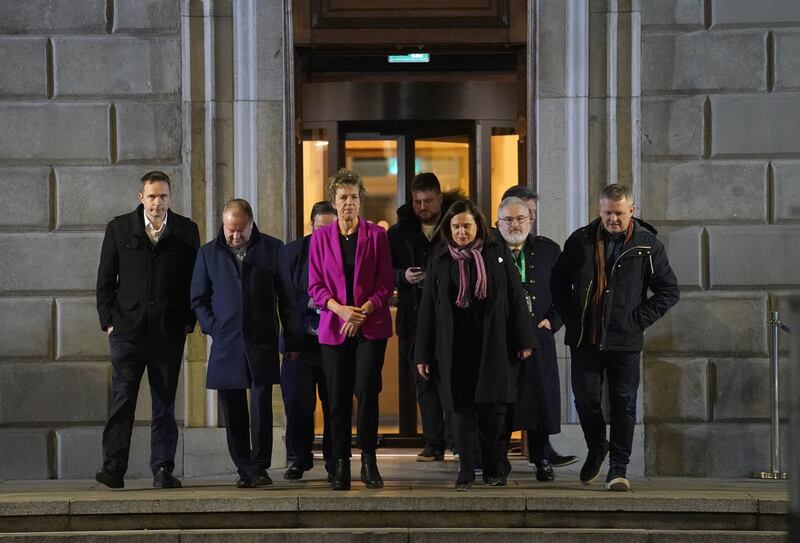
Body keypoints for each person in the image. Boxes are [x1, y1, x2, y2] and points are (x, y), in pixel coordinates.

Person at [552, 183, 679, 491]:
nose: (613, 219)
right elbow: (558, 281)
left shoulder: (647, 245)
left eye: (619, 213)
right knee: (584, 399)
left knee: (623, 403)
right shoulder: (580, 240)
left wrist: (636, 320)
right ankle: (597, 445)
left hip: (625, 340)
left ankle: (618, 468)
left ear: (631, 211)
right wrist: (571, 316)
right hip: (585, 337)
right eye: (608, 213)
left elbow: (668, 291)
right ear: (599, 210)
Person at [415, 199, 535, 490]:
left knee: (493, 413)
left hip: (492, 346)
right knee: (460, 413)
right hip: (454, 349)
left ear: (478, 225)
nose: (461, 232)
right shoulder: (441, 259)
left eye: (466, 226)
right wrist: (422, 353)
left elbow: (516, 297)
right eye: (455, 226)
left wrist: (524, 339)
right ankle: (466, 471)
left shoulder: (497, 253)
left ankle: (494, 469)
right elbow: (428, 309)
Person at [95, 170, 200, 489]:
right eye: (152, 196)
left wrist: (186, 322)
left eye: (163, 196)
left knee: (165, 403)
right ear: (141, 197)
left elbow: (194, 281)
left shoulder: (186, 230)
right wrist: (109, 322)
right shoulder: (119, 228)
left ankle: (163, 469)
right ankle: (114, 467)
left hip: (168, 333)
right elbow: (104, 281)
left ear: (170, 197)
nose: (157, 202)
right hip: (127, 331)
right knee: (123, 399)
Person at [191, 199, 301, 488]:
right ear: (223, 226)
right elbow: (198, 299)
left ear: (252, 224)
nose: (236, 236)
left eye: (241, 230)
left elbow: (287, 299)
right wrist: (213, 326)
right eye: (230, 230)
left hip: (262, 342)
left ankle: (259, 465)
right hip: (226, 344)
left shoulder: (273, 249)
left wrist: (291, 338)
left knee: (262, 406)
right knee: (233, 408)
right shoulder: (207, 254)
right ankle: (243, 467)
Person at [307, 169, 395, 490]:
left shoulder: (376, 236)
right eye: (343, 198)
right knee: (337, 398)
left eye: (354, 198)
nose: (348, 203)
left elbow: (386, 284)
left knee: (368, 394)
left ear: (361, 202)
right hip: (334, 327)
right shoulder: (320, 238)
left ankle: (369, 463)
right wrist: (341, 310)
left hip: (370, 325)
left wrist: (362, 311)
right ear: (334, 201)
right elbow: (315, 287)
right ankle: (341, 465)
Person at [499, 184, 577, 469]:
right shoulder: (490, 249)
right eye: (515, 216)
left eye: (528, 215)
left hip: (539, 335)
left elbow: (566, 292)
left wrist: (553, 320)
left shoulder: (548, 250)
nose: (521, 221)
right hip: (503, 339)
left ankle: (542, 456)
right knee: (504, 398)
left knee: (539, 397)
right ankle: (498, 459)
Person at [387, 172, 448, 462]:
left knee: (451, 380)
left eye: (427, 201)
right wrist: (403, 276)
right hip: (412, 315)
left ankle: (458, 440)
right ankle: (434, 442)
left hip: (449, 316)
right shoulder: (398, 233)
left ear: (440, 198)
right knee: (423, 382)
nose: (422, 207)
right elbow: (384, 272)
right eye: (417, 201)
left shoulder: (455, 226)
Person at [280, 201, 337, 481]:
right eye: (320, 229)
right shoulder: (292, 253)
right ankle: (297, 459)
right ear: (311, 226)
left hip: (334, 341)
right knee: (298, 402)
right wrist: (314, 301)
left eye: (331, 229)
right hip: (300, 342)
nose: (325, 235)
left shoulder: (345, 251)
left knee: (334, 403)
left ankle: (334, 460)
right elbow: (284, 297)